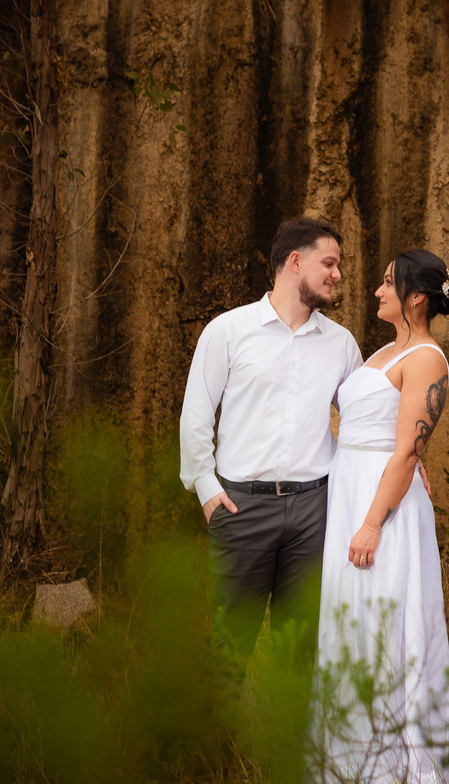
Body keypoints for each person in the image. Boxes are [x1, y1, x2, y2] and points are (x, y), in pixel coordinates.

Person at [310, 250, 449, 784]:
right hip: (350, 490)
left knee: (383, 621)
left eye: (385, 282)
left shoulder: (426, 357)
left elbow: (406, 451)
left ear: (415, 296)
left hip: (384, 507)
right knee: (350, 620)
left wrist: (373, 523)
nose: (376, 290)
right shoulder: (381, 351)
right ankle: (345, 747)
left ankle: (392, 753)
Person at [179, 217, 363, 670]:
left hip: (315, 512)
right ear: (296, 262)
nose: (338, 274)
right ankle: (215, 743)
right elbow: (196, 413)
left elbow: (362, 419)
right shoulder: (228, 330)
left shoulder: (341, 344)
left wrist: (407, 452)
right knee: (229, 645)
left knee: (300, 649)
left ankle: (288, 743)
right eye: (330, 263)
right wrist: (206, 490)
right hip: (242, 508)